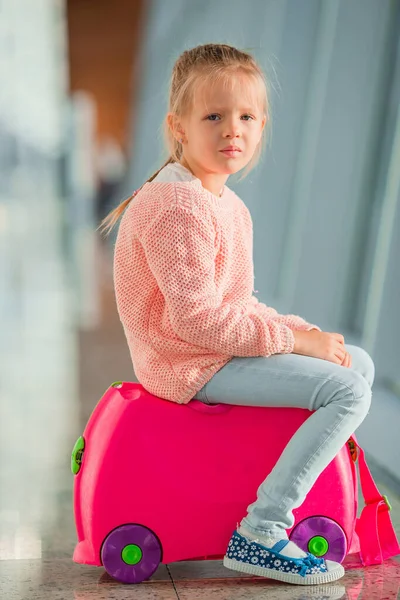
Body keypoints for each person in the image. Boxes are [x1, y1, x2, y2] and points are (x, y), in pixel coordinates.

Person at [100, 43, 374, 586]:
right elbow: (197, 321)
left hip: (211, 350)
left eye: (246, 116)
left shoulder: (223, 203)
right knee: (350, 391)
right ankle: (263, 528)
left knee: (355, 364)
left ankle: (291, 504)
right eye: (214, 116)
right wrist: (297, 344)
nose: (233, 130)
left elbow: (238, 302)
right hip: (188, 363)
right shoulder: (177, 206)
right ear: (178, 126)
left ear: (262, 124)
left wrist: (305, 333)